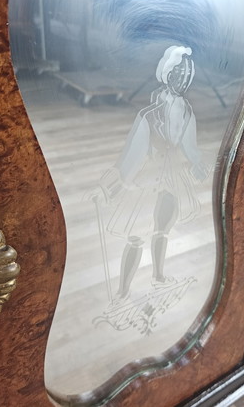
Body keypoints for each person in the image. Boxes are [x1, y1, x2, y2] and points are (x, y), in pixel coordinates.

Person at [91, 45, 209, 301]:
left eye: (188, 74)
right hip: (145, 181)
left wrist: (197, 163)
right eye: (178, 73)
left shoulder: (187, 111)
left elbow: (189, 144)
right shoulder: (148, 115)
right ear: (167, 74)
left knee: (163, 228)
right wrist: (109, 187)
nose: (184, 79)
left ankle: (157, 275)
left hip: (172, 179)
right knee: (136, 236)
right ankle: (123, 289)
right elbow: (132, 154)